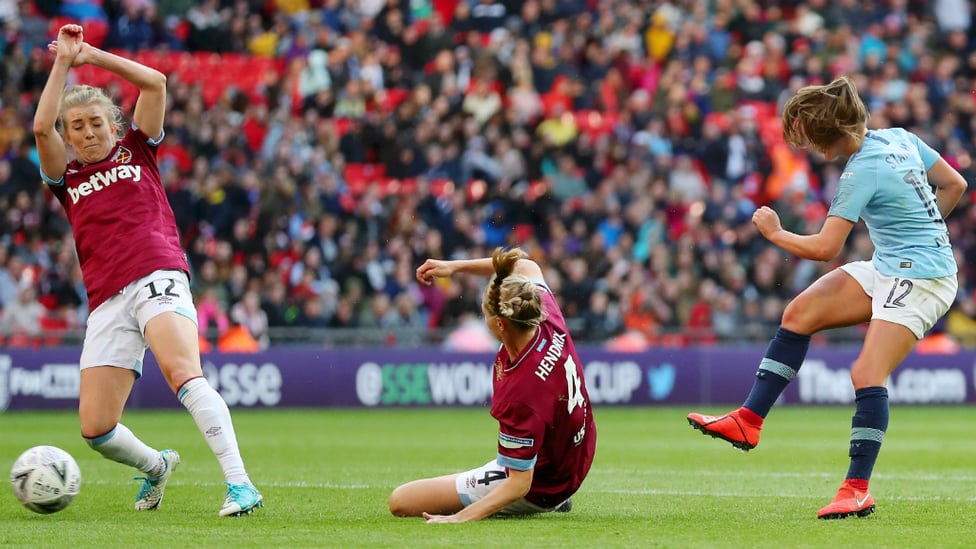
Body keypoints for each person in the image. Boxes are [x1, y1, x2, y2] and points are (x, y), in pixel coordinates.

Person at [687, 76, 967, 520]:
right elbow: (955, 185)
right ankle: (749, 420)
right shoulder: (899, 137)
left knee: (866, 371)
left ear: (832, 133)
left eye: (815, 138)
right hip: (894, 263)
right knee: (799, 313)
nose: (813, 149)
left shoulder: (861, 169)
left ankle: (856, 489)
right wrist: (923, 232)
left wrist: (775, 233)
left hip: (925, 277)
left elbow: (825, 249)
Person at [33, 24, 263, 517]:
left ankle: (241, 485)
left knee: (184, 374)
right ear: (68, 136)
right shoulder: (66, 178)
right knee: (95, 429)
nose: (88, 132)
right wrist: (61, 64)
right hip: (106, 298)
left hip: (157, 271)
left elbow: (156, 82)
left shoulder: (137, 148)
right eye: (77, 127)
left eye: (96, 122)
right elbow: (39, 129)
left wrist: (90, 55)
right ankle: (157, 467)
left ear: (113, 124)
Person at [389, 247, 597, 522]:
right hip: (578, 453)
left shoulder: (521, 389)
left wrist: (458, 518)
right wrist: (454, 266)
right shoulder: (542, 310)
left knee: (401, 501)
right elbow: (523, 264)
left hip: (545, 485)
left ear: (500, 324)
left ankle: (555, 500)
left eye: (484, 313)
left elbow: (519, 484)